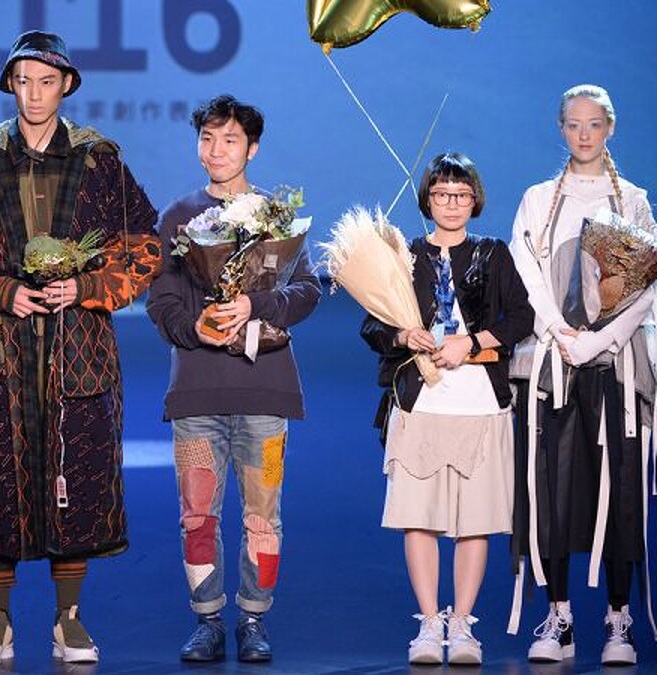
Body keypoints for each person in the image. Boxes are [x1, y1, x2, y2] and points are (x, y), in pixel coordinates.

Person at [0, 30, 161, 665]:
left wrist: (88, 286)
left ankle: (68, 618)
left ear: (67, 85)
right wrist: (0, 290)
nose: (34, 94)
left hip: (78, 346)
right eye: (23, 81)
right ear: (10, 86)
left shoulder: (99, 160)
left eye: (46, 81)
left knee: (77, 472)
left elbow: (143, 243)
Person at [145, 94, 320, 663]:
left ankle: (253, 618)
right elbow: (161, 302)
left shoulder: (277, 217)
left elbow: (308, 291)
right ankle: (207, 620)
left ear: (252, 148)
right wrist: (194, 327)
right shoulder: (177, 218)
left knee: (263, 515)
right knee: (197, 516)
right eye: (207, 138)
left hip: (266, 395)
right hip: (196, 396)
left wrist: (255, 304)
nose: (216, 150)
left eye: (229, 139)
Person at [361, 153, 533, 665]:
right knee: (419, 517)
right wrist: (402, 334)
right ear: (428, 199)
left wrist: (472, 341)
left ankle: (462, 626)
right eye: (441, 194)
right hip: (421, 403)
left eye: (461, 194)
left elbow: (522, 316)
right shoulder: (405, 255)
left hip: (480, 404)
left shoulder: (493, 253)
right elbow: (371, 326)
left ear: (474, 199)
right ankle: (428, 622)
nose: (452, 203)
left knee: (475, 520)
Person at [508, 84, 657, 667]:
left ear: (610, 128)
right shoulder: (538, 198)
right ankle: (560, 616)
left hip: (616, 365)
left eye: (594, 124)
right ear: (561, 128)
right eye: (574, 124)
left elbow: (647, 283)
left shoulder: (634, 201)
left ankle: (619, 619)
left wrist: (602, 339)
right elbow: (526, 269)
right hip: (554, 362)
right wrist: (560, 332)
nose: (584, 134)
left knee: (621, 489)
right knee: (552, 488)